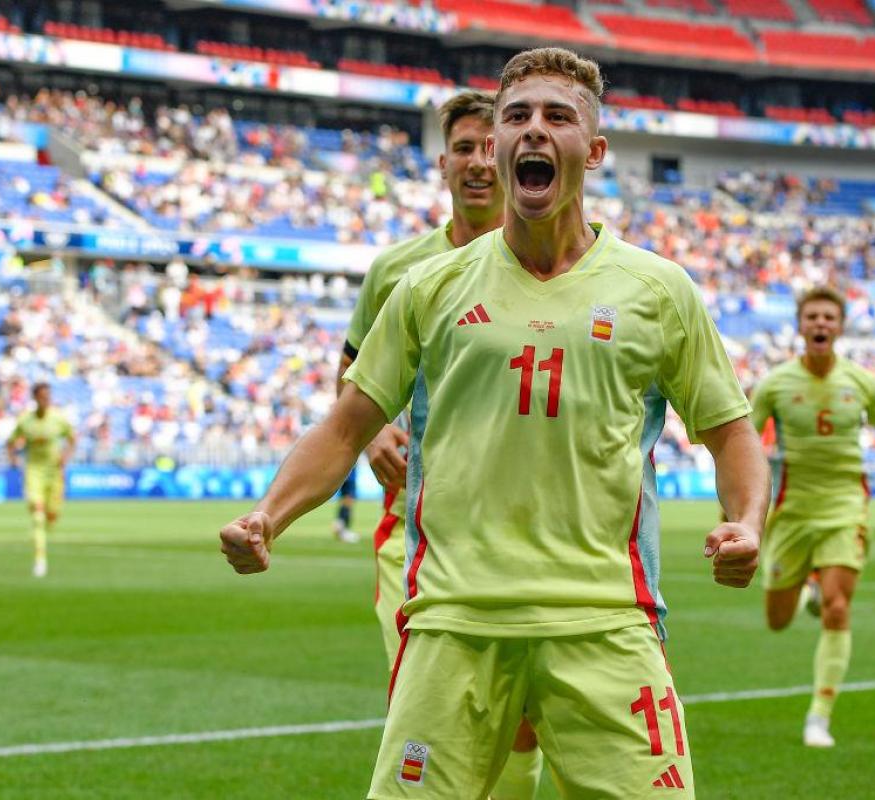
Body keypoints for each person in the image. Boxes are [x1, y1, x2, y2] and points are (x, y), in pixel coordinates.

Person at [221, 47, 770, 799]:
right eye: (517, 117)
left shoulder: (657, 289)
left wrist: (746, 520)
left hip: (606, 621)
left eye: (557, 117)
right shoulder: (429, 285)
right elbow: (346, 428)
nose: (533, 131)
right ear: (500, 143)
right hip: (453, 621)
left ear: (595, 150)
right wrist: (269, 516)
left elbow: (730, 430)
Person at [336, 90, 546, 798]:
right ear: (443, 162)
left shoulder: (555, 263)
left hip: (527, 532)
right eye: (465, 148)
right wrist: (371, 439)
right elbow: (355, 374)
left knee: (518, 724)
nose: (481, 162)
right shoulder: (397, 270)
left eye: (492, 146)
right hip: (419, 535)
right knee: (426, 722)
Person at [749, 286, 875, 748]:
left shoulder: (861, 382)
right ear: (800, 326)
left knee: (839, 607)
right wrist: (740, 511)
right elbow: (744, 441)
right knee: (777, 619)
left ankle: (819, 715)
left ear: (840, 327)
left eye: (829, 317)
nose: (821, 324)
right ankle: (805, 590)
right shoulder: (776, 384)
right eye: (812, 317)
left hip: (845, 504)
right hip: (793, 509)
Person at [6, 382, 75, 578]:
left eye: (49, 396)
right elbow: (10, 443)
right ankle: (40, 560)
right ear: (35, 398)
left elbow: (72, 439)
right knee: (37, 517)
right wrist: (14, 460)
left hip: (54, 472)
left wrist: (65, 457)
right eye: (43, 397)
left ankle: (46, 529)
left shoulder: (58, 419)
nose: (46, 400)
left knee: (51, 516)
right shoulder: (25, 421)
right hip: (33, 471)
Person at [332, 467, 361, 544]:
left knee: (346, 498)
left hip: (343, 468)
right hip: (349, 469)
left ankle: (340, 523)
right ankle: (343, 528)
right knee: (348, 498)